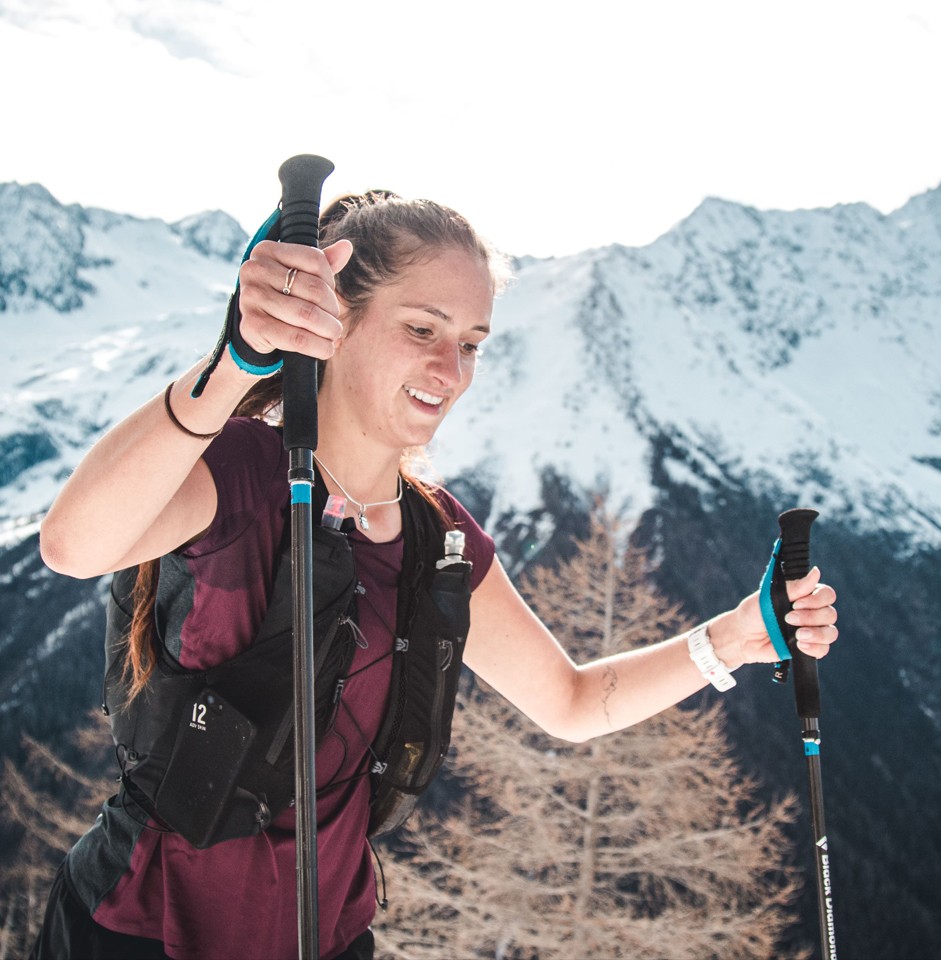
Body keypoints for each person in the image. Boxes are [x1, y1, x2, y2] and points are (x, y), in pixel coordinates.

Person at [32, 191, 839, 960]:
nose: (451, 369)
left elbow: (570, 701)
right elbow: (72, 544)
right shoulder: (240, 470)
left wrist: (735, 637)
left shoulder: (438, 537)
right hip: (142, 932)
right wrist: (235, 365)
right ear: (334, 323)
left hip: (332, 939)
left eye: (473, 342)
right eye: (423, 328)